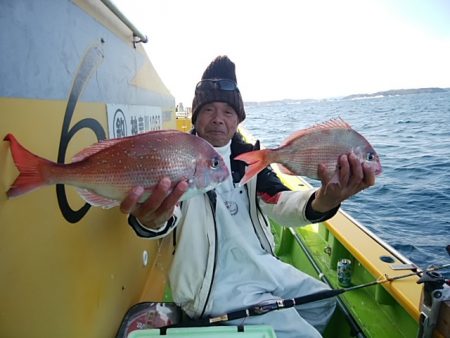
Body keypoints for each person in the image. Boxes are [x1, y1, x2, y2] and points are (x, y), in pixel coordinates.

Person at [120, 55, 376, 337]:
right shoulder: (180, 157)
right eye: (208, 110)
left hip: (262, 266)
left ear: (238, 119)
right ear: (195, 114)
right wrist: (151, 220)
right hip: (211, 286)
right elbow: (168, 213)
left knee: (324, 300)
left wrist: (322, 201)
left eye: (228, 112)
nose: (218, 119)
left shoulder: (249, 157)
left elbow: (277, 200)